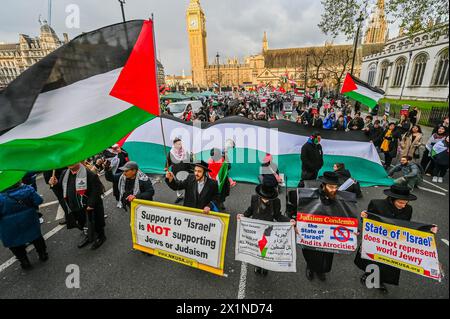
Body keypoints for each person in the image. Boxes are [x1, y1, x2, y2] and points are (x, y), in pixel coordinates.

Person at [355, 185, 438, 294]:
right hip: (377, 241)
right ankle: (368, 274)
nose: (403, 206)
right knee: (372, 259)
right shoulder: (376, 204)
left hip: (393, 244)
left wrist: (428, 229)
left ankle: (380, 281)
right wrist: (363, 217)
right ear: (392, 199)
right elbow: (368, 222)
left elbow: (408, 227)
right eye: (400, 202)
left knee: (388, 264)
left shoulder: (408, 209)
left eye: (406, 203)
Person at [299, 172, 352, 281]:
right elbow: (300, 209)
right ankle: (310, 267)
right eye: (331, 187)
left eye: (336, 187)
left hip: (329, 235)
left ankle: (321, 270)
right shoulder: (310, 196)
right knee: (311, 252)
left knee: (326, 256)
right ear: (323, 186)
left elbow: (346, 216)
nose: (334, 190)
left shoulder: (341, 198)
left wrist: (352, 230)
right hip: (313, 233)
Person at [237, 183, 296, 276]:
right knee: (256, 248)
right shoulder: (254, 198)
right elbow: (250, 210)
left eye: (267, 198)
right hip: (255, 229)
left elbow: (278, 216)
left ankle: (264, 266)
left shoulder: (276, 202)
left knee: (265, 249)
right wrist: (243, 215)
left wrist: (289, 221)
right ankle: (258, 265)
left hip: (268, 231)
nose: (265, 199)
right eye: (263, 197)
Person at [49, 163, 106, 250]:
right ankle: (88, 235)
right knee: (83, 223)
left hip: (89, 207)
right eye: (68, 161)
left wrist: (91, 204)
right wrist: (55, 184)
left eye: (73, 160)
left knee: (96, 223)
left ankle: (101, 237)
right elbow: (62, 189)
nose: (71, 163)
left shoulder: (88, 173)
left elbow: (96, 189)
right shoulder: (65, 173)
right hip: (75, 206)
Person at [0, 182, 48, 270]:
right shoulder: (27, 190)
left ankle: (24, 261)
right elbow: (39, 201)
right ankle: (43, 254)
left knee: (14, 244)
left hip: (9, 225)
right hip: (29, 219)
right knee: (36, 237)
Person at [166, 138, 193, 204]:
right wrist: (166, 167)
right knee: (177, 184)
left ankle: (189, 196)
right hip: (176, 170)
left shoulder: (185, 151)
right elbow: (168, 161)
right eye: (178, 144)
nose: (180, 145)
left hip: (186, 170)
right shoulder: (171, 152)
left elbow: (190, 161)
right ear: (174, 144)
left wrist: (192, 157)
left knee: (187, 183)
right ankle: (180, 196)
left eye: (180, 144)